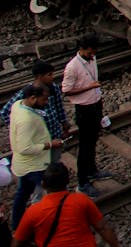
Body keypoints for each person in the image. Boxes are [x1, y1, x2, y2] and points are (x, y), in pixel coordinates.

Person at [12, 162, 120, 247]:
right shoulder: (81, 200)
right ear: (67, 182)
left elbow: (17, 242)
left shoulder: (33, 211)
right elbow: (103, 228)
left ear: (43, 184)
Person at [61, 33, 109, 196]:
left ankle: (92, 171)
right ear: (82, 49)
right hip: (84, 108)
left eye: (94, 52)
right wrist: (89, 87)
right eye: (90, 52)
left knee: (93, 140)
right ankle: (82, 182)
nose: (92, 55)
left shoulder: (92, 59)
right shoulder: (72, 67)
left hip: (95, 103)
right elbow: (66, 90)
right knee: (85, 146)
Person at [8, 85, 60, 230]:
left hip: (23, 165)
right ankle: (53, 222)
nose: (46, 102)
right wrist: (49, 145)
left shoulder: (18, 105)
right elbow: (25, 148)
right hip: (34, 165)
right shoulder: (27, 119)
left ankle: (17, 224)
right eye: (44, 99)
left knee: (23, 193)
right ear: (32, 98)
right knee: (54, 193)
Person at [1, 61, 69, 165]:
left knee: (54, 162)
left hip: (54, 134)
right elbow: (5, 112)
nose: (52, 77)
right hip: (38, 140)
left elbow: (59, 109)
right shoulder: (27, 92)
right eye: (49, 74)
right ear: (39, 76)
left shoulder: (54, 88)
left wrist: (64, 125)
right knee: (41, 166)